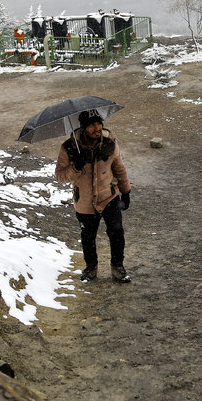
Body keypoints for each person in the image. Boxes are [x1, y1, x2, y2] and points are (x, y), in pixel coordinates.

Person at [55, 110, 132, 283]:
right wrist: (76, 167)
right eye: (92, 125)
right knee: (88, 236)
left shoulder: (109, 143)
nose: (97, 128)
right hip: (84, 201)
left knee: (117, 232)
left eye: (99, 123)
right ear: (83, 127)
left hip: (109, 196)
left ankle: (118, 267)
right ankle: (91, 268)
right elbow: (60, 176)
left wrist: (126, 191)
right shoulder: (69, 147)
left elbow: (119, 167)